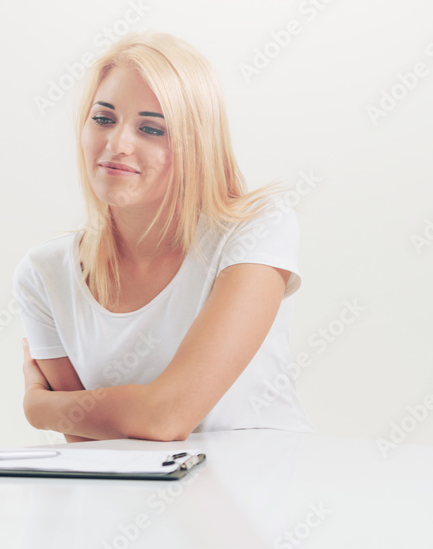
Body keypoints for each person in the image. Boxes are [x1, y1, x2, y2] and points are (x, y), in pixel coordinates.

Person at [16, 32, 312, 442]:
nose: (117, 144)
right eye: (103, 119)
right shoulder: (43, 272)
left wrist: (40, 409)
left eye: (152, 129)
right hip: (127, 502)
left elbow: (167, 418)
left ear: (197, 144)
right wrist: (71, 415)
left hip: (257, 495)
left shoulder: (257, 229)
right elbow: (88, 443)